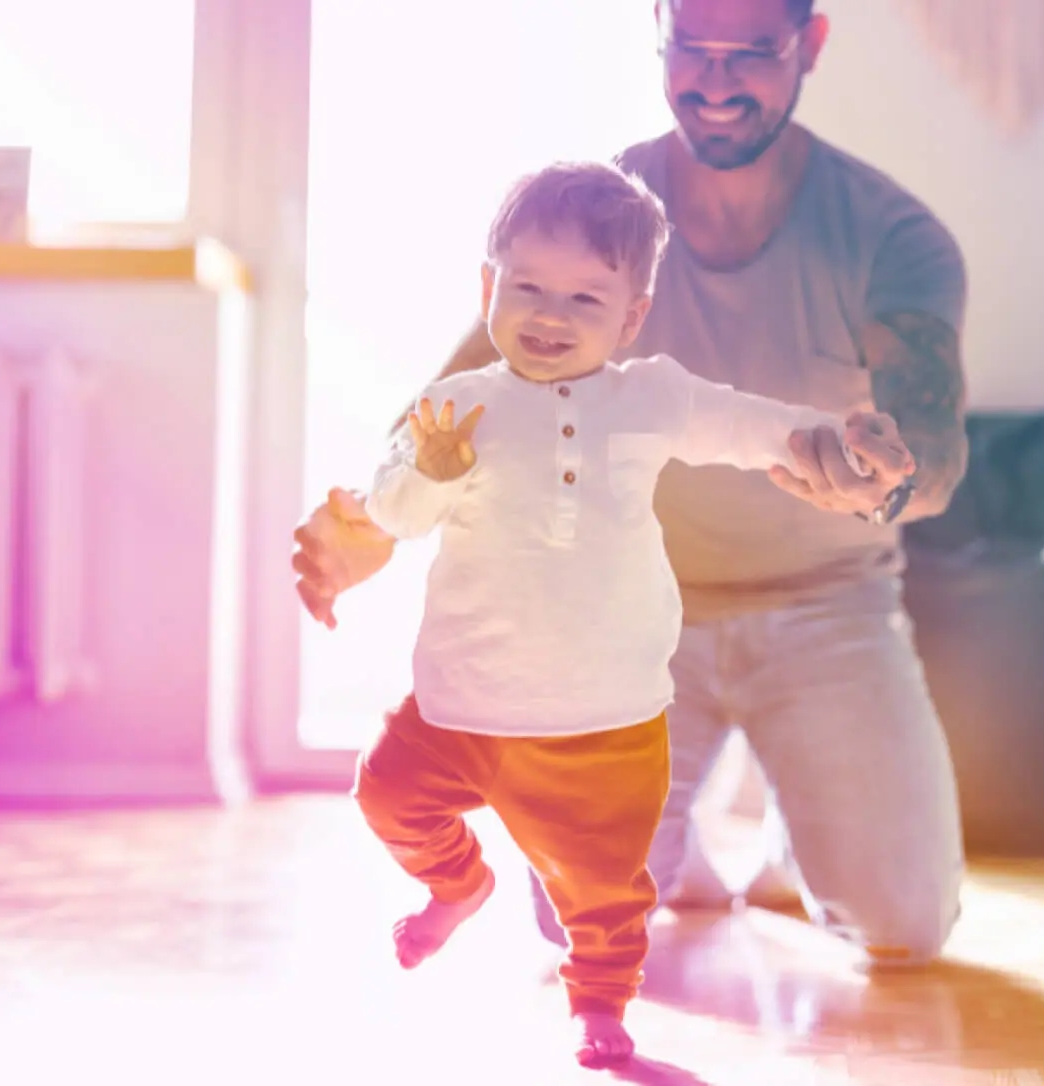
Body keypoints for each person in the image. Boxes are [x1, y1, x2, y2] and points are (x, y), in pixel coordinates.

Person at [297, 0, 971, 974]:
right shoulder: (596, 221)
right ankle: (683, 852)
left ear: (810, 46)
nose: (714, 81)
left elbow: (936, 452)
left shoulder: (890, 235)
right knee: (562, 922)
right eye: (690, 48)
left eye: (750, 55)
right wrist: (377, 519)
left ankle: (799, 831)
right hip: (615, 624)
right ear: (658, 36)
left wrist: (885, 478)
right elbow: (455, 408)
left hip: (831, 607)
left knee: (903, 925)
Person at [351, 160, 911, 1068]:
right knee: (387, 794)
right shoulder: (457, 408)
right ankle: (456, 886)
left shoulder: (649, 398)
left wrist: (832, 438)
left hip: (605, 716)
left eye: (585, 299)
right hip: (460, 703)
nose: (550, 316)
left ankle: (600, 1008)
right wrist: (430, 471)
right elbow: (392, 515)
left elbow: (753, 426)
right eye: (527, 287)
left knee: (606, 892)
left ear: (632, 317)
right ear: (488, 287)